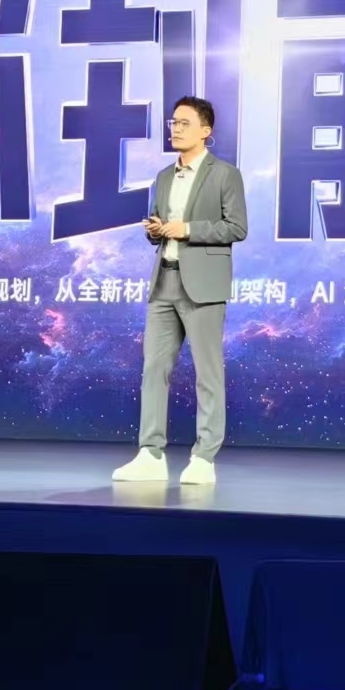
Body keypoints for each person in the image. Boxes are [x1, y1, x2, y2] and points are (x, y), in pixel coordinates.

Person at [111, 95, 248, 485]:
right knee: (154, 369)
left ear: (206, 130)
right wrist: (156, 230)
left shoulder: (225, 174)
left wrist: (186, 229)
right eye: (173, 122)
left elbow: (236, 228)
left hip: (203, 285)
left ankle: (204, 458)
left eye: (185, 123)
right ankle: (150, 454)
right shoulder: (164, 177)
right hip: (164, 280)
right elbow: (160, 228)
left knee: (208, 373)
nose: (176, 129)